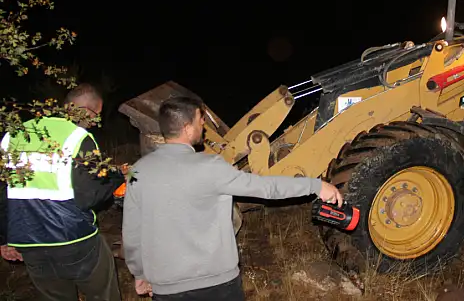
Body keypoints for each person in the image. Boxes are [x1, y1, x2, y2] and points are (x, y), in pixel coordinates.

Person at [122, 96, 344, 300]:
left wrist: (139, 272)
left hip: (166, 287)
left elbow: (132, 230)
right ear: (186, 128)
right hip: (218, 284)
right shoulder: (211, 167)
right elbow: (266, 188)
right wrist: (315, 185)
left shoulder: (137, 172)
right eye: (200, 120)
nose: (204, 126)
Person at [0, 83, 124, 300]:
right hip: (73, 239)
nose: (96, 122)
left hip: (29, 242)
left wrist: (4, 238)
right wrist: (115, 178)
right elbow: (88, 196)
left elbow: (4, 192)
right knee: (104, 291)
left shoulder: (14, 135)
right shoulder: (78, 137)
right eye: (97, 115)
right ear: (86, 111)